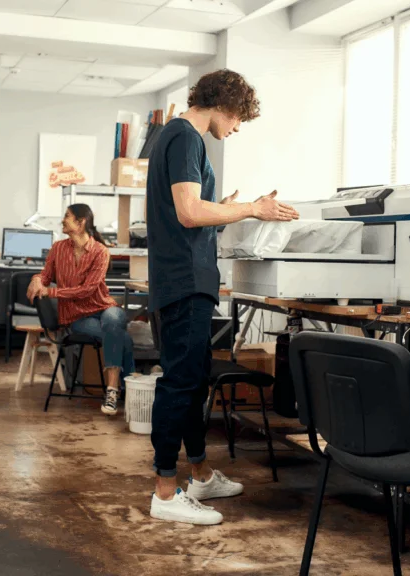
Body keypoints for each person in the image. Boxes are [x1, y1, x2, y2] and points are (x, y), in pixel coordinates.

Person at [146, 69, 300, 525]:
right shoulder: (186, 138)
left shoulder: (178, 137)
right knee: (179, 384)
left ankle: (199, 474)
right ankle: (165, 493)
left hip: (185, 279)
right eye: (237, 121)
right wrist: (253, 208)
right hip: (183, 282)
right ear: (225, 105)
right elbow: (189, 212)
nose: (234, 129)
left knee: (190, 382)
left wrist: (228, 207)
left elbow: (193, 214)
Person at [27, 204, 135, 415]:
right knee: (123, 338)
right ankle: (128, 388)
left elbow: (87, 290)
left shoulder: (100, 252)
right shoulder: (58, 248)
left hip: (103, 307)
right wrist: (36, 279)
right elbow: (46, 276)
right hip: (76, 316)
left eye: (67, 216)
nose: (62, 220)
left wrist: (51, 292)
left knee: (113, 319)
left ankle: (112, 390)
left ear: (81, 221)